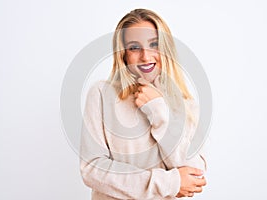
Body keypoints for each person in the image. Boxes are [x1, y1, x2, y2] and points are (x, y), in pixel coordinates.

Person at [80, 8, 207, 200]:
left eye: (154, 44)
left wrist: (160, 113)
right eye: (134, 47)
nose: (146, 57)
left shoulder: (187, 104)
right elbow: (92, 169)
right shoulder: (101, 94)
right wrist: (169, 183)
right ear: (123, 55)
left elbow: (194, 174)